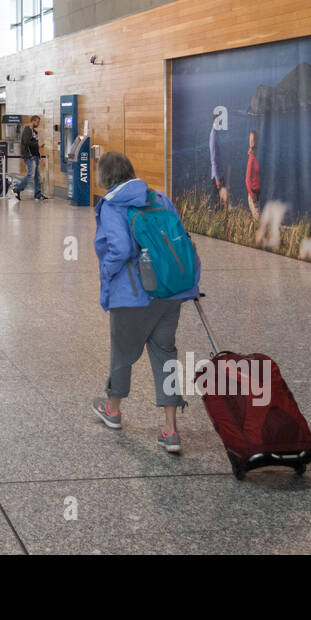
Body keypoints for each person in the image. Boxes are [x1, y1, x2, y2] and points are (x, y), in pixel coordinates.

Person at [90, 152, 198, 453]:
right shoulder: (159, 197)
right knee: (166, 355)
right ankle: (170, 430)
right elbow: (181, 240)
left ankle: (113, 410)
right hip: (168, 292)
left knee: (122, 354)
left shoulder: (113, 206)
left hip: (132, 295)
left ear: (106, 177)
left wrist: (105, 274)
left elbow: (121, 248)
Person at [12, 115, 46, 201]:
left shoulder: (34, 132)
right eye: (37, 122)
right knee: (31, 174)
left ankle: (37, 194)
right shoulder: (27, 130)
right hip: (29, 156)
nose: (38, 124)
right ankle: (17, 189)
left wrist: (38, 146)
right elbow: (26, 142)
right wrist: (37, 144)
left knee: (37, 176)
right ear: (33, 121)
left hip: (35, 156)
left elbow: (33, 142)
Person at [209, 113, 228, 207]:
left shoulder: (216, 133)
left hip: (220, 175)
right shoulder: (213, 135)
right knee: (218, 205)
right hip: (217, 177)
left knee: (222, 203)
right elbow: (213, 158)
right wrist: (217, 179)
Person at [245, 130, 262, 220]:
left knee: (258, 220)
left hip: (257, 194)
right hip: (254, 195)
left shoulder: (254, 157)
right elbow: (247, 180)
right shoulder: (251, 159)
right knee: (259, 221)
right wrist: (252, 195)